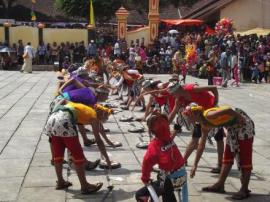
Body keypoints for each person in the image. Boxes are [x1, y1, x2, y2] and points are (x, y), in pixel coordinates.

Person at [182, 103, 254, 200]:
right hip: (233, 128)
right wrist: (195, 165)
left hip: (244, 125)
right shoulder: (203, 124)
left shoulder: (208, 115)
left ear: (195, 115)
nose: (187, 119)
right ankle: (220, 185)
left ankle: (244, 189)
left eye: (188, 116)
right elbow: (201, 145)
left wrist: (240, 117)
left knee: (244, 158)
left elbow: (228, 110)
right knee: (227, 156)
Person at [44, 101, 112, 194]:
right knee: (78, 155)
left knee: (58, 154)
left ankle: (60, 182)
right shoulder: (93, 116)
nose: (104, 121)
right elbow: (99, 140)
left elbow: (63, 101)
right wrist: (107, 159)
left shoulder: (85, 110)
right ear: (101, 113)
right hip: (65, 120)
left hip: (53, 119)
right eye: (105, 118)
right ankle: (85, 186)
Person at [167, 83, 224, 173]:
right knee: (195, 138)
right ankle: (182, 161)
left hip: (212, 112)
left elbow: (213, 88)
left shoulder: (192, 89)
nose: (172, 95)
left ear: (177, 90)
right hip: (198, 115)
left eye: (172, 93)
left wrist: (215, 101)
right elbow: (173, 112)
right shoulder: (179, 99)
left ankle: (220, 165)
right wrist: (164, 125)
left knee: (218, 138)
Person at [135, 112, 185, 202]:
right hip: (182, 177)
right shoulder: (169, 139)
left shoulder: (154, 146)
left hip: (169, 181)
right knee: (163, 184)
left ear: (152, 130)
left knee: (140, 194)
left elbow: (146, 163)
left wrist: (145, 179)